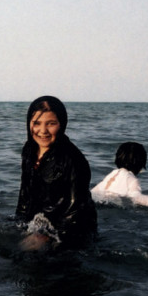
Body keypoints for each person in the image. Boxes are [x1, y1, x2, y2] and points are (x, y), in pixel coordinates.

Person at [15, 95, 97, 250]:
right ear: (28, 124)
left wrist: (48, 237)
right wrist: (19, 224)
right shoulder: (29, 151)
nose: (43, 131)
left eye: (51, 124)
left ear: (62, 124)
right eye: (36, 123)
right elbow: (24, 195)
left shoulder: (74, 160)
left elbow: (75, 210)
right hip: (41, 224)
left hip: (73, 231)